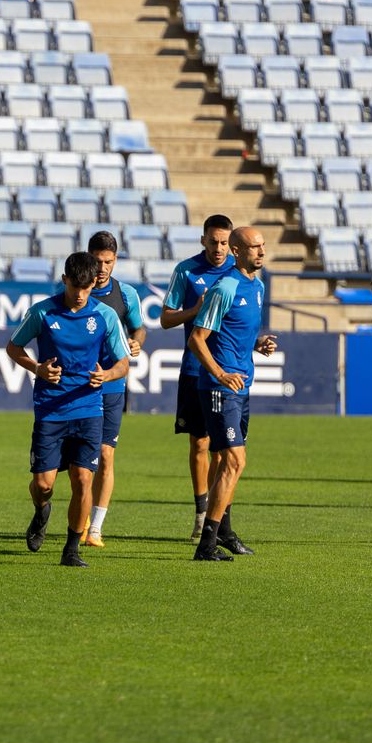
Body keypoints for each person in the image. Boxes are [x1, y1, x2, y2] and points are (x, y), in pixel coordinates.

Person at [5, 252, 131, 568]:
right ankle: (41, 510)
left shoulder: (104, 315)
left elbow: (123, 363)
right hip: (50, 409)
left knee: (82, 480)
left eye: (86, 288)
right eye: (75, 286)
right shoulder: (43, 312)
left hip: (89, 409)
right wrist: (37, 369)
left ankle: (71, 549)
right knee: (44, 484)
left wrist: (107, 375)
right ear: (64, 281)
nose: (79, 294)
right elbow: (13, 347)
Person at [187, 227, 277, 561]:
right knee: (235, 460)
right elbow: (197, 338)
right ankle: (206, 543)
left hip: (242, 387)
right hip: (219, 389)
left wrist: (257, 343)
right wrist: (221, 373)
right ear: (237, 251)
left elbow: (234, 331)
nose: (261, 252)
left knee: (229, 463)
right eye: (254, 247)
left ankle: (221, 533)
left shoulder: (257, 285)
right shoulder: (224, 287)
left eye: (263, 246)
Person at [159, 215, 235, 539]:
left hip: (229, 372)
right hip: (195, 369)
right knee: (200, 443)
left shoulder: (237, 272)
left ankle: (219, 519)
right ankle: (201, 512)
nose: (218, 248)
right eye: (213, 241)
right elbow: (165, 319)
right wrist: (196, 310)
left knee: (225, 449)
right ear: (203, 240)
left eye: (224, 242)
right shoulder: (186, 271)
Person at [83, 231, 146, 548]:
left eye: (108, 261)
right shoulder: (75, 290)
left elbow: (138, 327)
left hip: (112, 385)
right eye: (97, 261)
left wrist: (136, 342)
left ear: (115, 260)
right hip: (79, 386)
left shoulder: (126, 294)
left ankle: (95, 527)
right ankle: (77, 517)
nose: (102, 268)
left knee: (106, 456)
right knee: (80, 461)